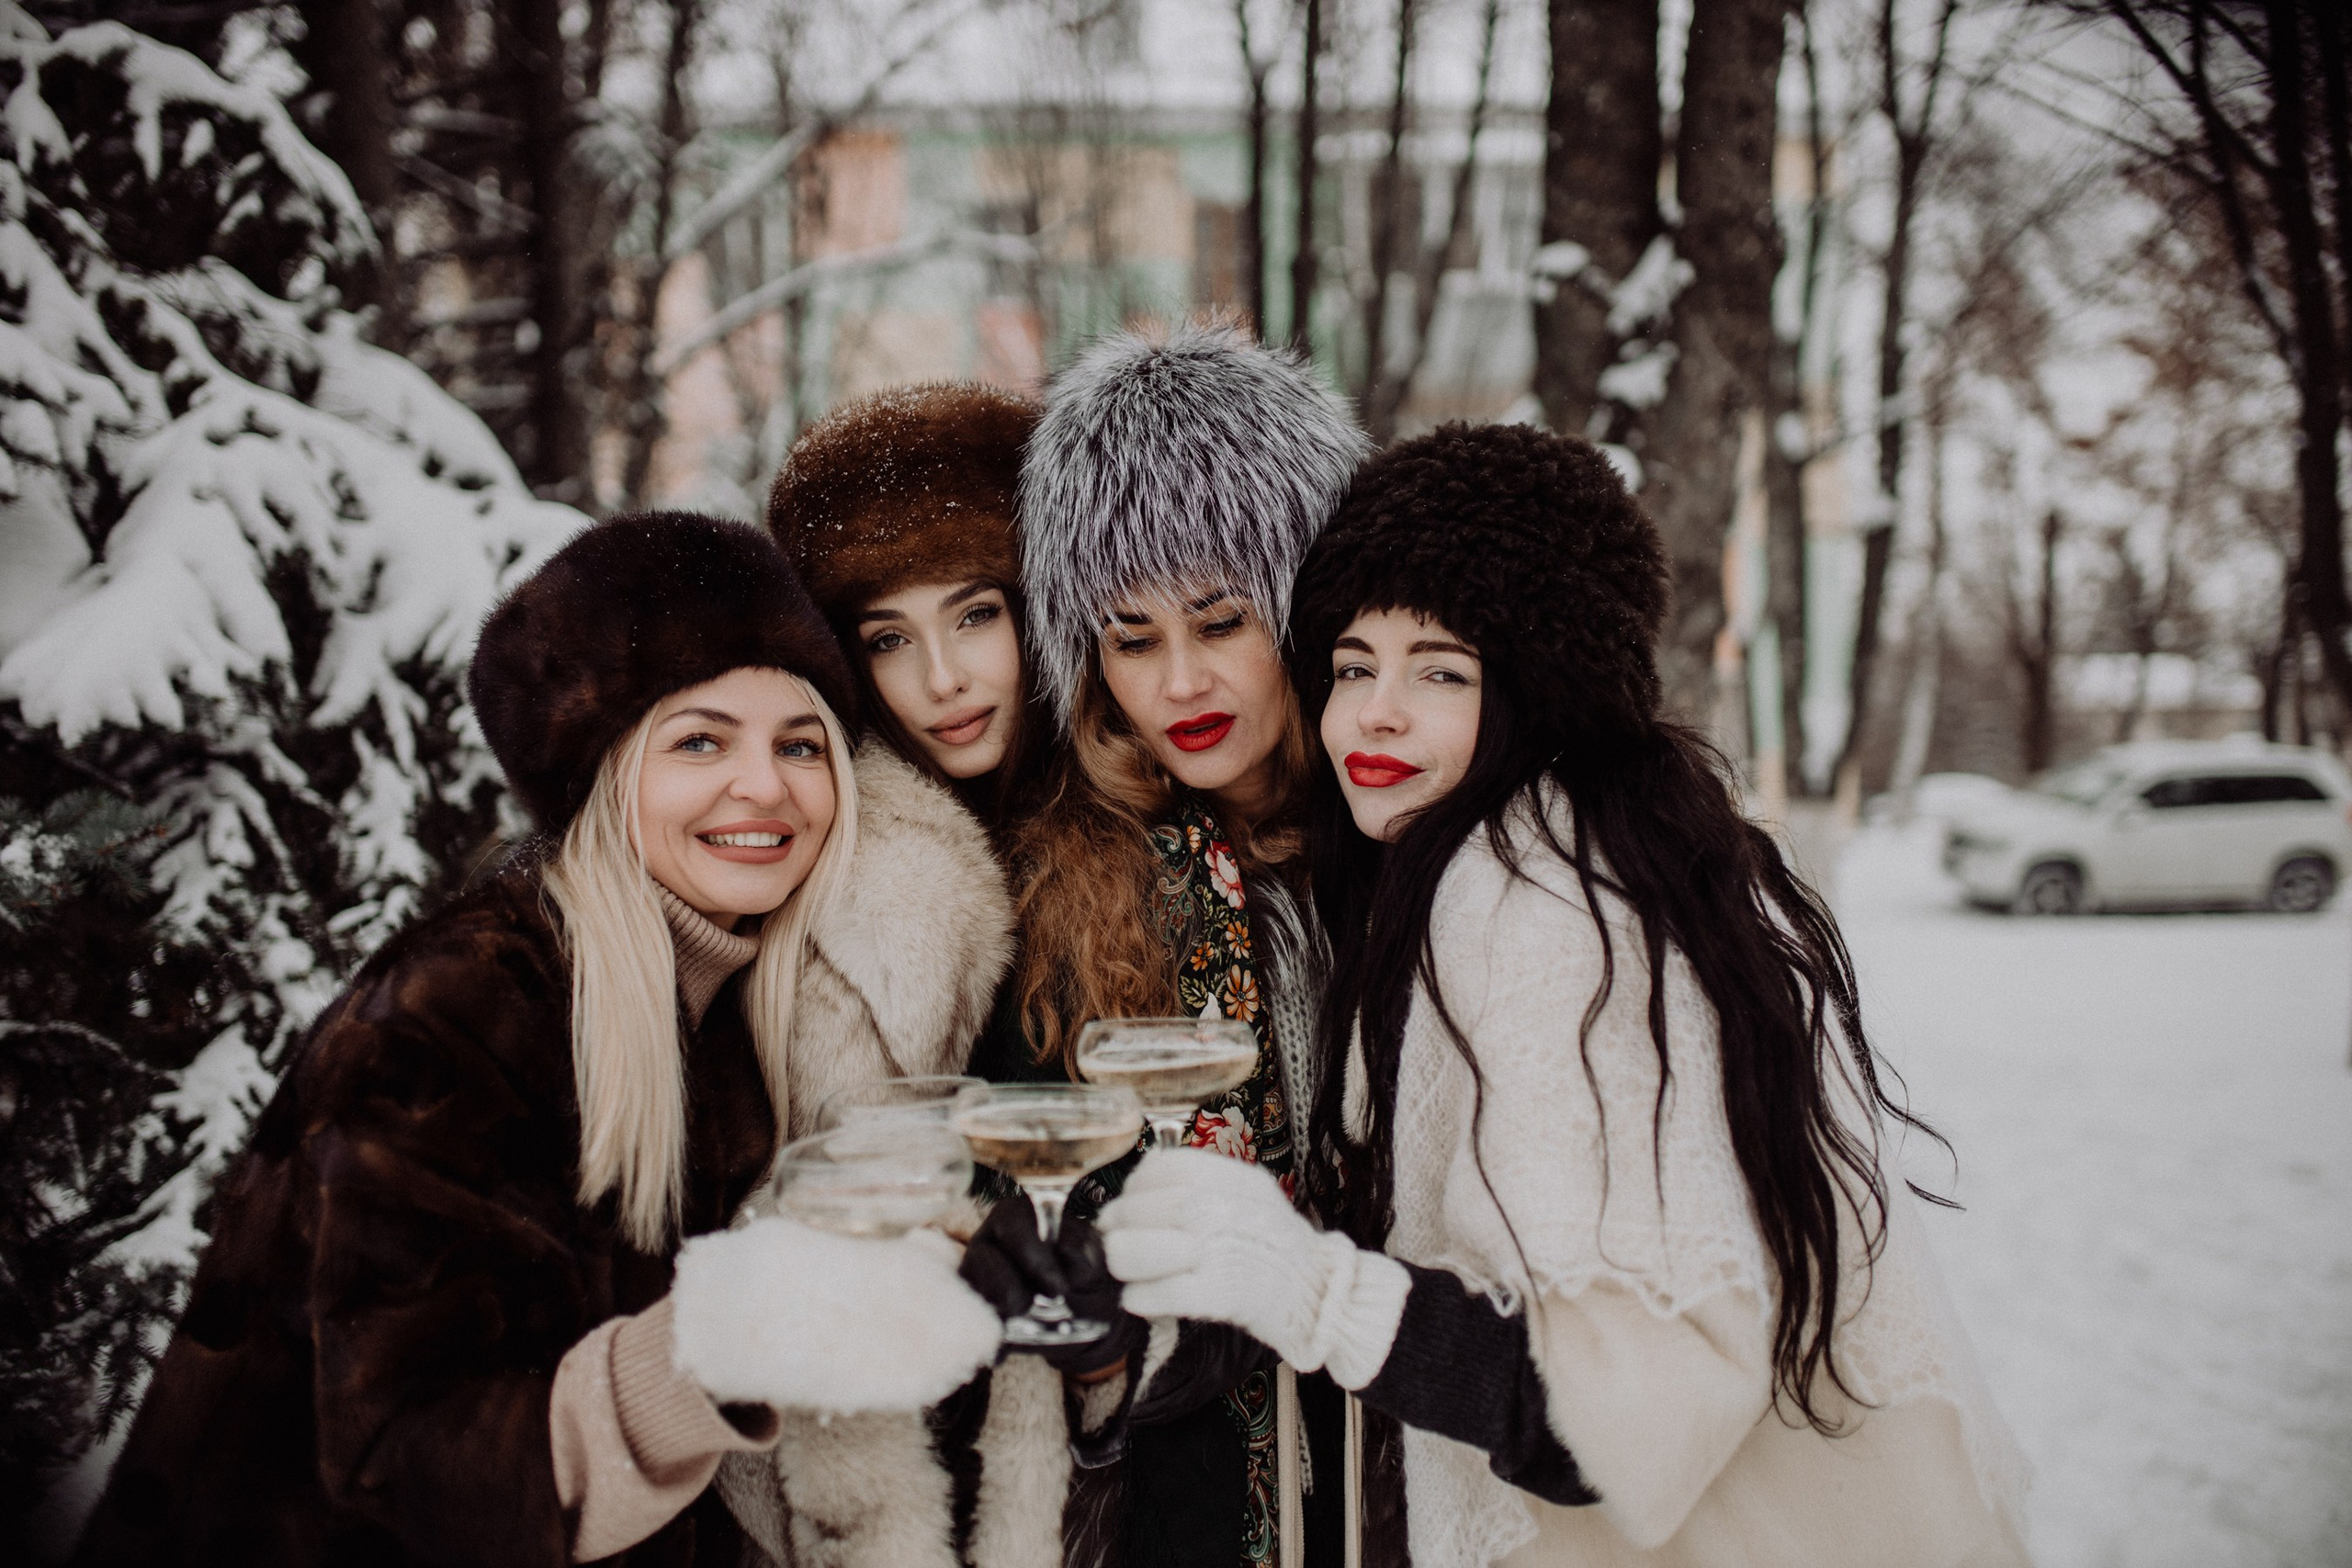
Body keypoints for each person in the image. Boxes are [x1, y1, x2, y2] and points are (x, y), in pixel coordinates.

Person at [1096, 424, 2031, 1568]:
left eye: (1440, 670)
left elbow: (1631, 1414)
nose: (1375, 712)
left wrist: (1313, 1292)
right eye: (1352, 666)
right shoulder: (1598, 851)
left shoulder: (1533, 902)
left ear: (1542, 689)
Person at [71, 513, 1005, 1568]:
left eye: (800, 744)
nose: (767, 786)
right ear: (602, 776)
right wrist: (719, 1342)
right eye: (700, 739)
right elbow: (401, 1452)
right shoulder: (458, 1008)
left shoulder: (723, 1005)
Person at [964, 321, 1370, 1568]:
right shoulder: (1057, 886)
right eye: (1132, 637)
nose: (1180, 680)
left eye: (1221, 619)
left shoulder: (1396, 856)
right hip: (1174, 1499)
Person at [738, 384, 1067, 1568]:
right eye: (887, 636)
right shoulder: (860, 873)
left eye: (975, 614)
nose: (942, 678)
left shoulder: (1149, 819)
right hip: (949, 1443)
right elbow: (825, 1233)